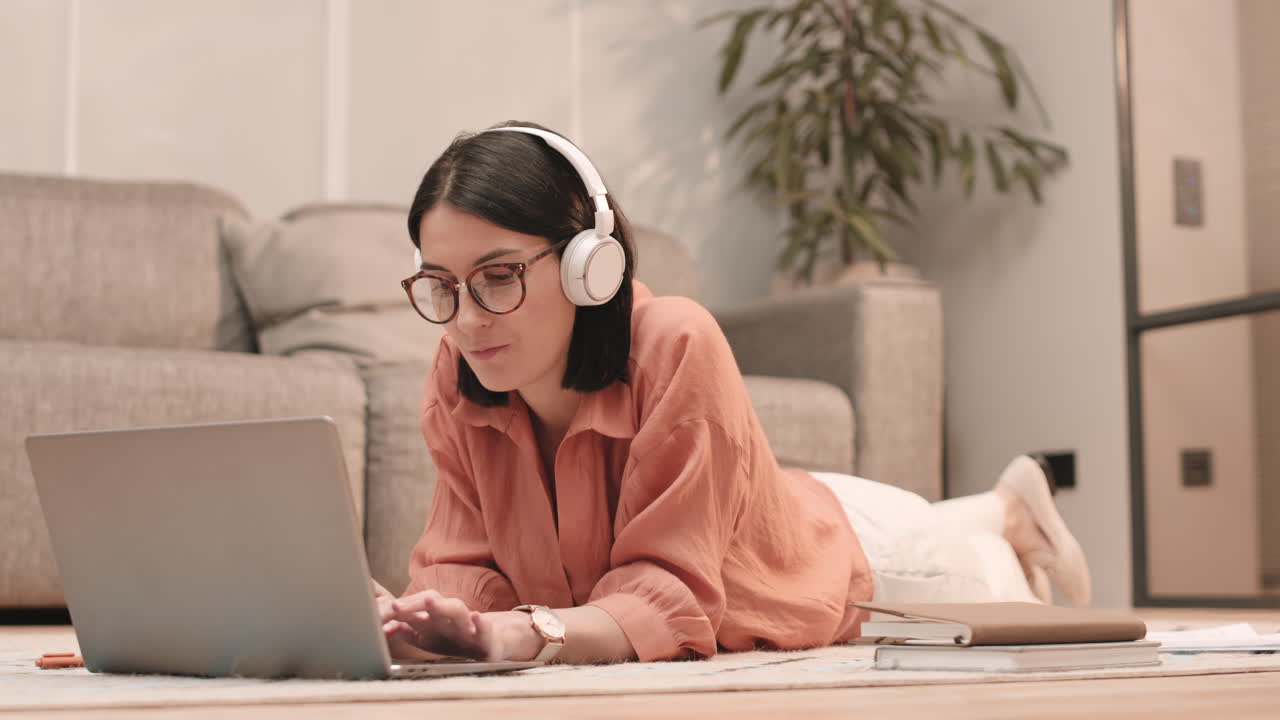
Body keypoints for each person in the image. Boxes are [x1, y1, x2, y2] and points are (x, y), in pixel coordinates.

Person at [375, 121, 1091, 666]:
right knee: (941, 524)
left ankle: (1009, 519)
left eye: (498, 276)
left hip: (836, 557)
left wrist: (528, 633)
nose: (466, 320)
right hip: (770, 502)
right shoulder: (457, 376)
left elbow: (670, 596)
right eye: (442, 285)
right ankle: (1005, 506)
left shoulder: (675, 342)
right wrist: (416, 622)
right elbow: (464, 569)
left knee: (992, 592)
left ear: (589, 267)